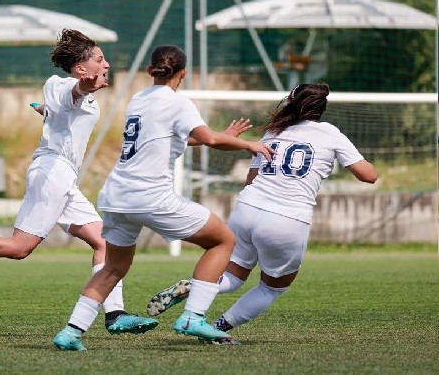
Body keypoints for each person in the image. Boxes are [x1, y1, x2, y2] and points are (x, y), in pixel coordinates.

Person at [0, 28, 157, 334]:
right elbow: (68, 96)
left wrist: (45, 111)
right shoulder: (62, 85)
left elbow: (60, 111)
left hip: (64, 178)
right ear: (81, 69)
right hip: (52, 173)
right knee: (20, 247)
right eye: (100, 60)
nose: (107, 65)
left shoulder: (81, 98)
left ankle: (115, 315)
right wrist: (81, 88)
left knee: (105, 243)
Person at [52, 44, 275, 351]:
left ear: (149, 71)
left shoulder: (138, 99)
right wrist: (248, 145)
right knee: (222, 241)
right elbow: (208, 138)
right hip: (151, 196)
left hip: (116, 195)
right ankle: (193, 317)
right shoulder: (177, 102)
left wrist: (224, 137)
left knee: (113, 268)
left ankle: (71, 332)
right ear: (183, 73)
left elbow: (183, 138)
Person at [146, 83, 378, 344]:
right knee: (271, 287)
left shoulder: (273, 132)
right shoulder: (330, 133)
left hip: (247, 209)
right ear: (320, 109)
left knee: (233, 277)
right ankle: (219, 327)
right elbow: (368, 176)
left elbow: (251, 179)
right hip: (287, 218)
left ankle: (193, 286)